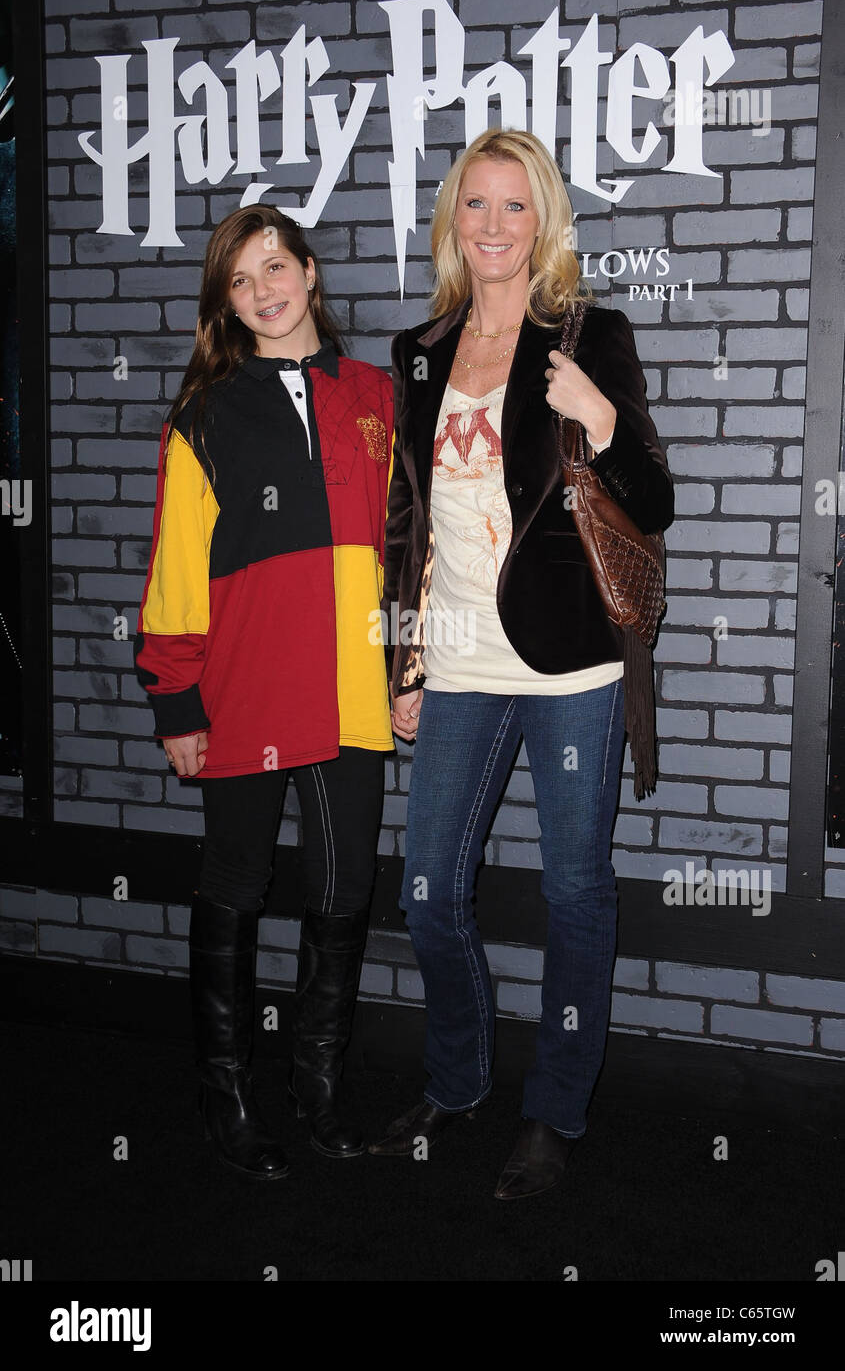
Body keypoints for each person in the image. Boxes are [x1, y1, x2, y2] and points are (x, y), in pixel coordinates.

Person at [368, 129, 674, 1199]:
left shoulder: (590, 334)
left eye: (513, 206)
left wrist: (596, 414)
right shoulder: (417, 352)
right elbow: (403, 520)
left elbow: (653, 494)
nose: (492, 226)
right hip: (453, 657)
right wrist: (399, 655)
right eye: (473, 206)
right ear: (452, 220)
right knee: (424, 890)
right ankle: (456, 1082)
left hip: (568, 668)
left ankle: (554, 1109)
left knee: (575, 891)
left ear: (540, 221)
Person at [134, 207, 394, 1178]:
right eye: (240, 280)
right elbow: (174, 571)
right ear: (227, 301)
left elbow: (411, 551)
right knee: (235, 889)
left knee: (341, 892)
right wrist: (175, 700)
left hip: (353, 692)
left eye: (274, 266)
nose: (261, 291)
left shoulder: (376, 394)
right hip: (244, 689)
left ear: (311, 272)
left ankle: (317, 1089)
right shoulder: (203, 412)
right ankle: (226, 1090)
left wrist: (406, 669)